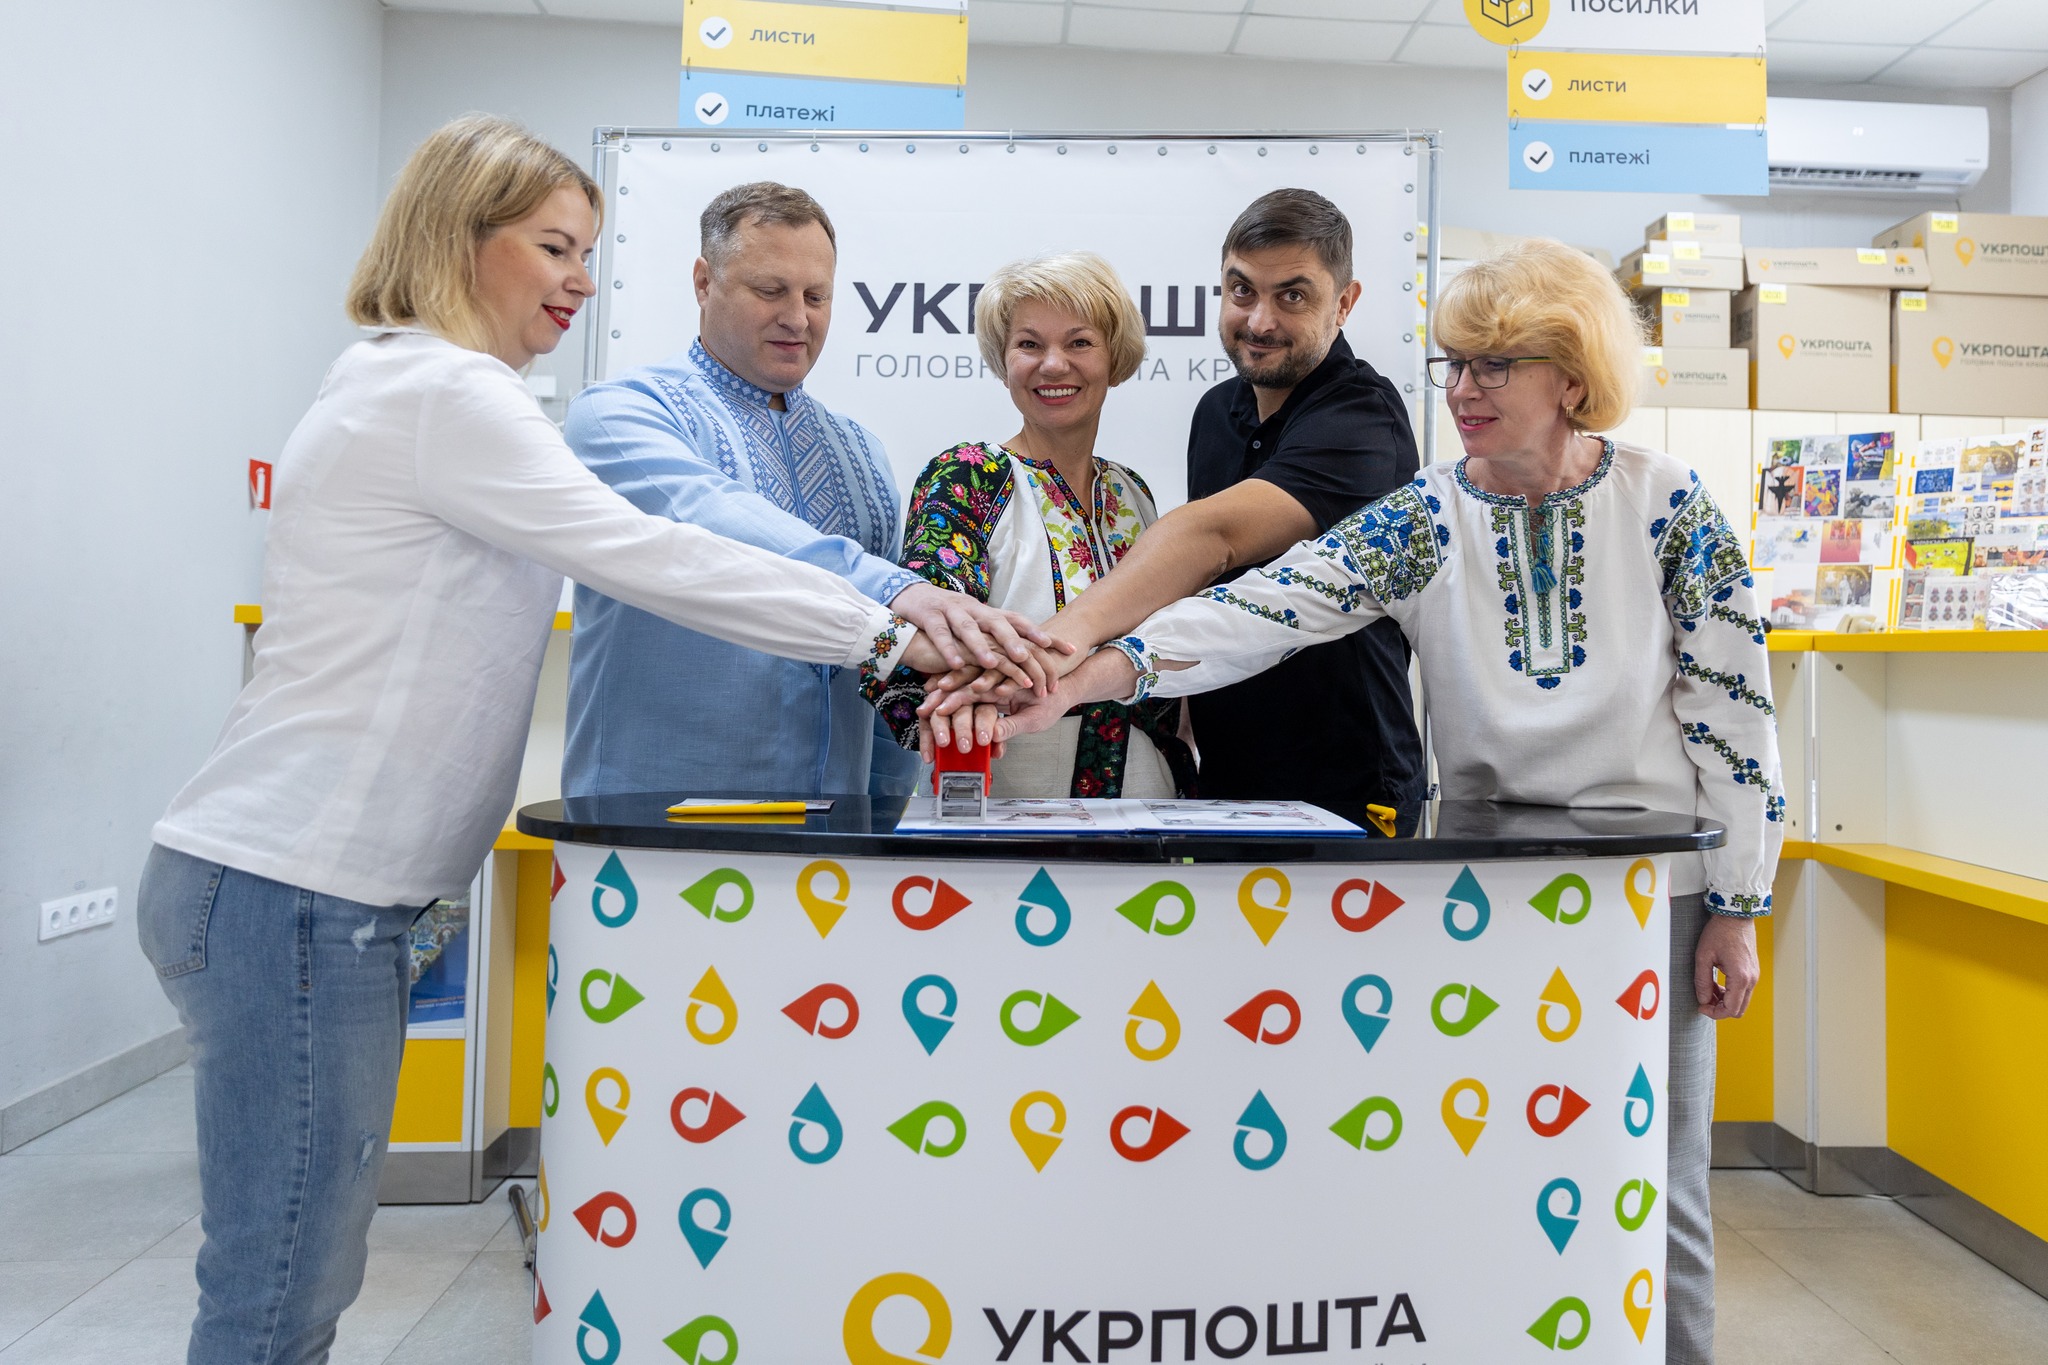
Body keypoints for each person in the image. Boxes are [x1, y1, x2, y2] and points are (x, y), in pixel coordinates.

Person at [133, 116, 1047, 1365]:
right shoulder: (452, 395)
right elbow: (658, 549)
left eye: (586, 253)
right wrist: (891, 625)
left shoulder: (426, 388)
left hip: (327, 894)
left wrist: (903, 677)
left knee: (297, 1271)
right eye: (553, 248)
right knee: (281, 1281)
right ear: (458, 238)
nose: (577, 281)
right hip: (298, 884)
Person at [956, 238, 1778, 1365]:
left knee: (1655, 1182)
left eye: (1494, 365)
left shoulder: (1668, 504)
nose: (1463, 390)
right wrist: (1094, 673)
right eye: (1454, 364)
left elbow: (1735, 713)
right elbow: (1262, 609)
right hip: (1485, 893)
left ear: (1571, 375)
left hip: (1653, 897)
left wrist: (1737, 901)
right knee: (1495, 1164)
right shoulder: (1430, 514)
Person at [925, 189, 1425, 808]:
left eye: (1292, 296)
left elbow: (1212, 541)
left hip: (1341, 780)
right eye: (1242, 290)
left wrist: (1051, 650)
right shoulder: (1216, 414)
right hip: (1209, 780)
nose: (1260, 320)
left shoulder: (1362, 418)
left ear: (1344, 303)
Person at [562, 182, 1040, 799]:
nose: (797, 317)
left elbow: (883, 676)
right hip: (650, 821)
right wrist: (900, 590)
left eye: (816, 296)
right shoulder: (622, 414)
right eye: (770, 291)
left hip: (835, 829)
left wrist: (884, 805)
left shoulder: (860, 453)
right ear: (704, 282)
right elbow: (713, 520)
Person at [880, 252, 1194, 797]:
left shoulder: (1132, 492)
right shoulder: (969, 476)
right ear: (1003, 360)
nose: (1053, 365)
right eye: (1029, 344)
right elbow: (926, 641)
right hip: (1004, 791)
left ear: (1115, 356)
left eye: (1080, 342)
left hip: (1145, 796)